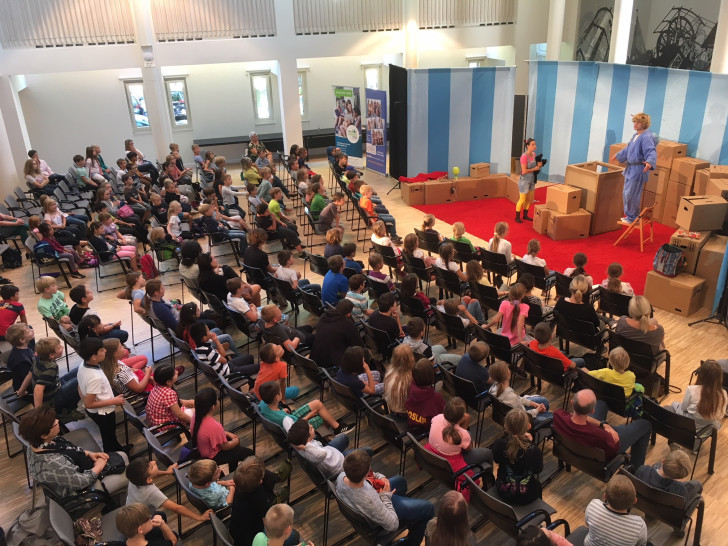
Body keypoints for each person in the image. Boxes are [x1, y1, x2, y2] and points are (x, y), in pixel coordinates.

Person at [19, 405, 129, 501]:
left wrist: (89, 453)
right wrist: (99, 466)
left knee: (121, 456)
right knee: (128, 472)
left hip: (81, 470)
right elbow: (81, 482)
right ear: (43, 435)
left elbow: (68, 449)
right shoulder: (52, 463)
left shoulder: (37, 444)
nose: (57, 421)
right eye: (53, 423)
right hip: (80, 493)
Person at [335, 449, 435, 546]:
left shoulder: (342, 476)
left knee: (400, 481)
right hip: (380, 509)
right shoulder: (369, 498)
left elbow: (372, 475)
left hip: (372, 498)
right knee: (428, 508)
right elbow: (393, 525)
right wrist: (385, 496)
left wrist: (380, 477)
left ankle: (408, 515)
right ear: (365, 475)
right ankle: (411, 542)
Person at [553, 389, 651, 468]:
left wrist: (603, 425)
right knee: (645, 424)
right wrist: (611, 431)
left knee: (601, 403)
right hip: (605, 448)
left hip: (575, 446)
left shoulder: (558, 415)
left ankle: (617, 427)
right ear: (592, 411)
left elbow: (570, 415)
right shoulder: (600, 436)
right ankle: (636, 471)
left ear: (572, 402)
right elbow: (613, 448)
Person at [230, 455, 296, 546]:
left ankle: (277, 478)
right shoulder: (258, 496)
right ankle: (277, 487)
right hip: (250, 538)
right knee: (294, 536)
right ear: (260, 481)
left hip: (235, 530)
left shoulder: (241, 484)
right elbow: (268, 518)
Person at [77, 338, 129, 453]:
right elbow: (89, 404)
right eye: (101, 350)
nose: (105, 350)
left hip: (97, 411)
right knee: (108, 438)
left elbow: (80, 387)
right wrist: (113, 401)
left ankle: (119, 449)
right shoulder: (95, 377)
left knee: (110, 435)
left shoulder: (83, 365)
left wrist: (85, 398)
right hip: (103, 413)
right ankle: (114, 458)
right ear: (94, 356)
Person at [427, 397, 494, 484]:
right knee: (488, 453)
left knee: (468, 437)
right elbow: (468, 449)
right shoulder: (462, 434)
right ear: (461, 417)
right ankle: (490, 484)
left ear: (444, 409)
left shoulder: (436, 418)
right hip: (451, 463)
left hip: (435, 454)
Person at [125, 458, 212, 523]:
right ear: (148, 480)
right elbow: (177, 508)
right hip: (139, 523)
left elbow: (152, 475)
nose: (154, 462)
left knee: (161, 515)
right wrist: (199, 517)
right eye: (152, 466)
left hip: (131, 512)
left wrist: (167, 472)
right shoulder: (151, 493)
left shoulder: (134, 477)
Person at [189, 387, 254, 472]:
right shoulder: (214, 426)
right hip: (212, 456)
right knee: (250, 454)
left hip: (201, 449)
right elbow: (225, 447)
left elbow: (210, 433)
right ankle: (239, 474)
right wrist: (236, 441)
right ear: (213, 406)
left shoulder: (195, 416)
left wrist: (226, 433)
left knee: (233, 445)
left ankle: (233, 470)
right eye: (217, 399)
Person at [287, 418, 373, 480]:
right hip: (340, 465)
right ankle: (363, 473)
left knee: (344, 437)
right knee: (368, 450)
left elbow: (287, 420)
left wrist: (296, 444)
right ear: (307, 437)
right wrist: (305, 447)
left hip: (331, 452)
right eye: (311, 428)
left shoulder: (297, 440)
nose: (312, 426)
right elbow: (322, 454)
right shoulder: (312, 453)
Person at [610, 112, 657, 224]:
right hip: (630, 169)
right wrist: (618, 155)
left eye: (638, 122)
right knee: (626, 193)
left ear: (644, 123)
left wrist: (649, 163)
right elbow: (628, 149)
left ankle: (633, 217)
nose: (635, 124)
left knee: (631, 194)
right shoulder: (636, 136)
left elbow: (651, 151)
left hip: (638, 170)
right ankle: (630, 216)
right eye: (634, 122)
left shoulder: (646, 137)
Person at [258, 380, 353, 434]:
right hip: (298, 426)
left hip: (291, 418)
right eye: (280, 391)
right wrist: (309, 416)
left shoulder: (262, 403)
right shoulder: (284, 418)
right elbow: (297, 426)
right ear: (277, 397)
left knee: (317, 403)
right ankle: (336, 430)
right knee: (321, 417)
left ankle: (336, 427)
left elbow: (274, 411)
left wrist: (282, 410)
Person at [492, 408, 543, 505]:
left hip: (502, 490)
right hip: (526, 497)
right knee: (538, 485)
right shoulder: (533, 450)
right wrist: (531, 443)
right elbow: (538, 470)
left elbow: (496, 459)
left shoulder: (499, 443)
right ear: (528, 427)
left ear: (505, 426)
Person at [581, 475, 648, 545]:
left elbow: (587, 524)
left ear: (605, 496)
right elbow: (641, 544)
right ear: (635, 501)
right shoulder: (639, 525)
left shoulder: (593, 506)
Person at [668, 359, 727, 429]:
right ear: (720, 377)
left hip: (691, 425)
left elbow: (684, 408)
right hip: (710, 427)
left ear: (701, 375)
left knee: (674, 404)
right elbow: (721, 415)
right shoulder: (723, 394)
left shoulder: (692, 390)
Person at [189, 322, 259, 377]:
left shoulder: (198, 348)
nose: (210, 332)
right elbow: (224, 358)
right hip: (229, 373)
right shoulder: (207, 351)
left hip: (227, 366)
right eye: (208, 330)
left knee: (250, 357)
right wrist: (216, 340)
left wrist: (218, 353)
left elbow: (221, 356)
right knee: (259, 367)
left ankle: (250, 381)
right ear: (204, 338)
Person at [32, 337, 81, 415]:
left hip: (55, 386)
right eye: (59, 348)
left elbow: (30, 373)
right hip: (52, 400)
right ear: (51, 355)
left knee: (81, 369)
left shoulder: (37, 358)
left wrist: (21, 391)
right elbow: (38, 389)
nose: (62, 347)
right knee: (81, 381)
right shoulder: (51, 367)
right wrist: (40, 413)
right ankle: (68, 410)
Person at [310, 299, 364, 368]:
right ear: (348, 314)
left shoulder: (323, 316)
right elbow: (358, 344)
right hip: (332, 361)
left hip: (316, 357)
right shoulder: (346, 323)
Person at [635, 448, 703, 502]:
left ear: (663, 461)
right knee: (698, 484)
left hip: (643, 502)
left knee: (656, 465)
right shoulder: (680, 491)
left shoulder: (643, 470)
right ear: (680, 477)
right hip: (663, 512)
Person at [145, 365, 194, 429]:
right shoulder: (169, 394)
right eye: (174, 373)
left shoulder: (157, 386)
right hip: (166, 425)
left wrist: (190, 402)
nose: (177, 372)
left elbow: (175, 403)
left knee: (192, 402)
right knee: (200, 410)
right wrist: (193, 422)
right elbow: (179, 415)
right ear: (168, 382)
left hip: (155, 421)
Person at [406, 358, 446, 432]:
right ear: (431, 376)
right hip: (430, 431)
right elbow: (443, 418)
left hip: (412, 426)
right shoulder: (436, 398)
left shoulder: (409, 388)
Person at [516, 138, 543, 223]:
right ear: (527, 146)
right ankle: (517, 217)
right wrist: (535, 168)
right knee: (522, 199)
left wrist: (540, 165)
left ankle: (525, 215)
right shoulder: (524, 157)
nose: (535, 146)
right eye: (532, 144)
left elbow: (536, 167)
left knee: (529, 199)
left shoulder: (534, 154)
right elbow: (524, 171)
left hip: (532, 179)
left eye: (535, 144)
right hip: (524, 180)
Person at [5, 324, 35, 397]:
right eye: (28, 331)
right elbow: (29, 382)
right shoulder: (21, 361)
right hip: (29, 391)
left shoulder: (24, 346)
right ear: (22, 340)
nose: (32, 330)